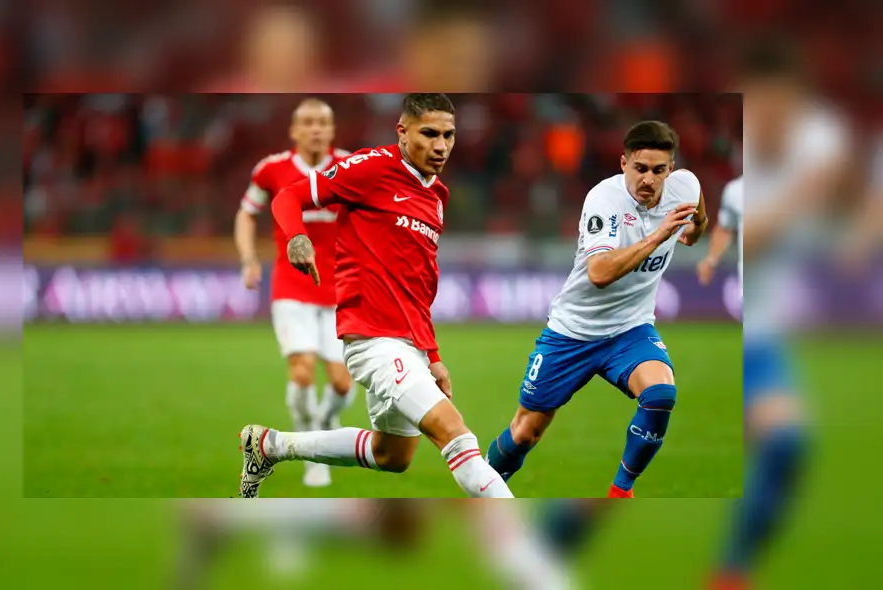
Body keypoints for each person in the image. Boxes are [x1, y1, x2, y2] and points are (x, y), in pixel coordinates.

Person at [238, 93, 513, 499]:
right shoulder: (372, 166)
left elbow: (418, 286)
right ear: (402, 132)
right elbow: (287, 197)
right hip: (373, 341)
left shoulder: (437, 195)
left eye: (449, 135)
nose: (441, 146)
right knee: (457, 437)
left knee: (392, 455)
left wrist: (433, 356)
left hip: (410, 344)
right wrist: (297, 236)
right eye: (429, 134)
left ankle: (269, 446)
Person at [484, 120, 708, 498]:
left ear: (671, 169)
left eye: (658, 170)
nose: (648, 179)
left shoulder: (685, 186)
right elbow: (599, 273)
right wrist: (660, 235)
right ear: (624, 163)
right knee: (525, 432)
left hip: (630, 329)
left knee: (660, 394)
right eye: (640, 168)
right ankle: (481, 488)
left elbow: (698, 216)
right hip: (573, 331)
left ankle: (621, 493)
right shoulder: (604, 200)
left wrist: (694, 231)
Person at [707, 42, 850, 590]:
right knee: (619, 480)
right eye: (761, 105)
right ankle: (542, 549)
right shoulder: (721, 158)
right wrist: (799, 198)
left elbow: (846, 189)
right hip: (699, 334)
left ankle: (731, 572)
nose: (772, 117)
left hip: (758, 337)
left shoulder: (820, 139)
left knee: (786, 442)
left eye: (783, 106)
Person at [233, 97, 354, 488]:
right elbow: (246, 213)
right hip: (291, 286)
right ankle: (310, 452)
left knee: (342, 383)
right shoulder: (271, 170)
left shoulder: (350, 167)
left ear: (332, 130)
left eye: (323, 122)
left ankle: (324, 421)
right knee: (301, 371)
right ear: (294, 130)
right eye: (308, 122)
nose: (315, 129)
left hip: (341, 288)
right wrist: (249, 258)